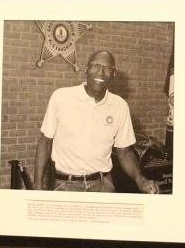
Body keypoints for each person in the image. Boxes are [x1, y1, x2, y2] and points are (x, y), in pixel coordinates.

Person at [33, 50, 159, 193]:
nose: (100, 72)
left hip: (103, 185)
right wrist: (37, 185)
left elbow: (124, 152)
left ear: (113, 74)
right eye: (96, 65)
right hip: (65, 185)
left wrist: (141, 180)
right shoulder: (61, 97)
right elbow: (45, 142)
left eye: (107, 68)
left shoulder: (120, 106)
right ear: (86, 69)